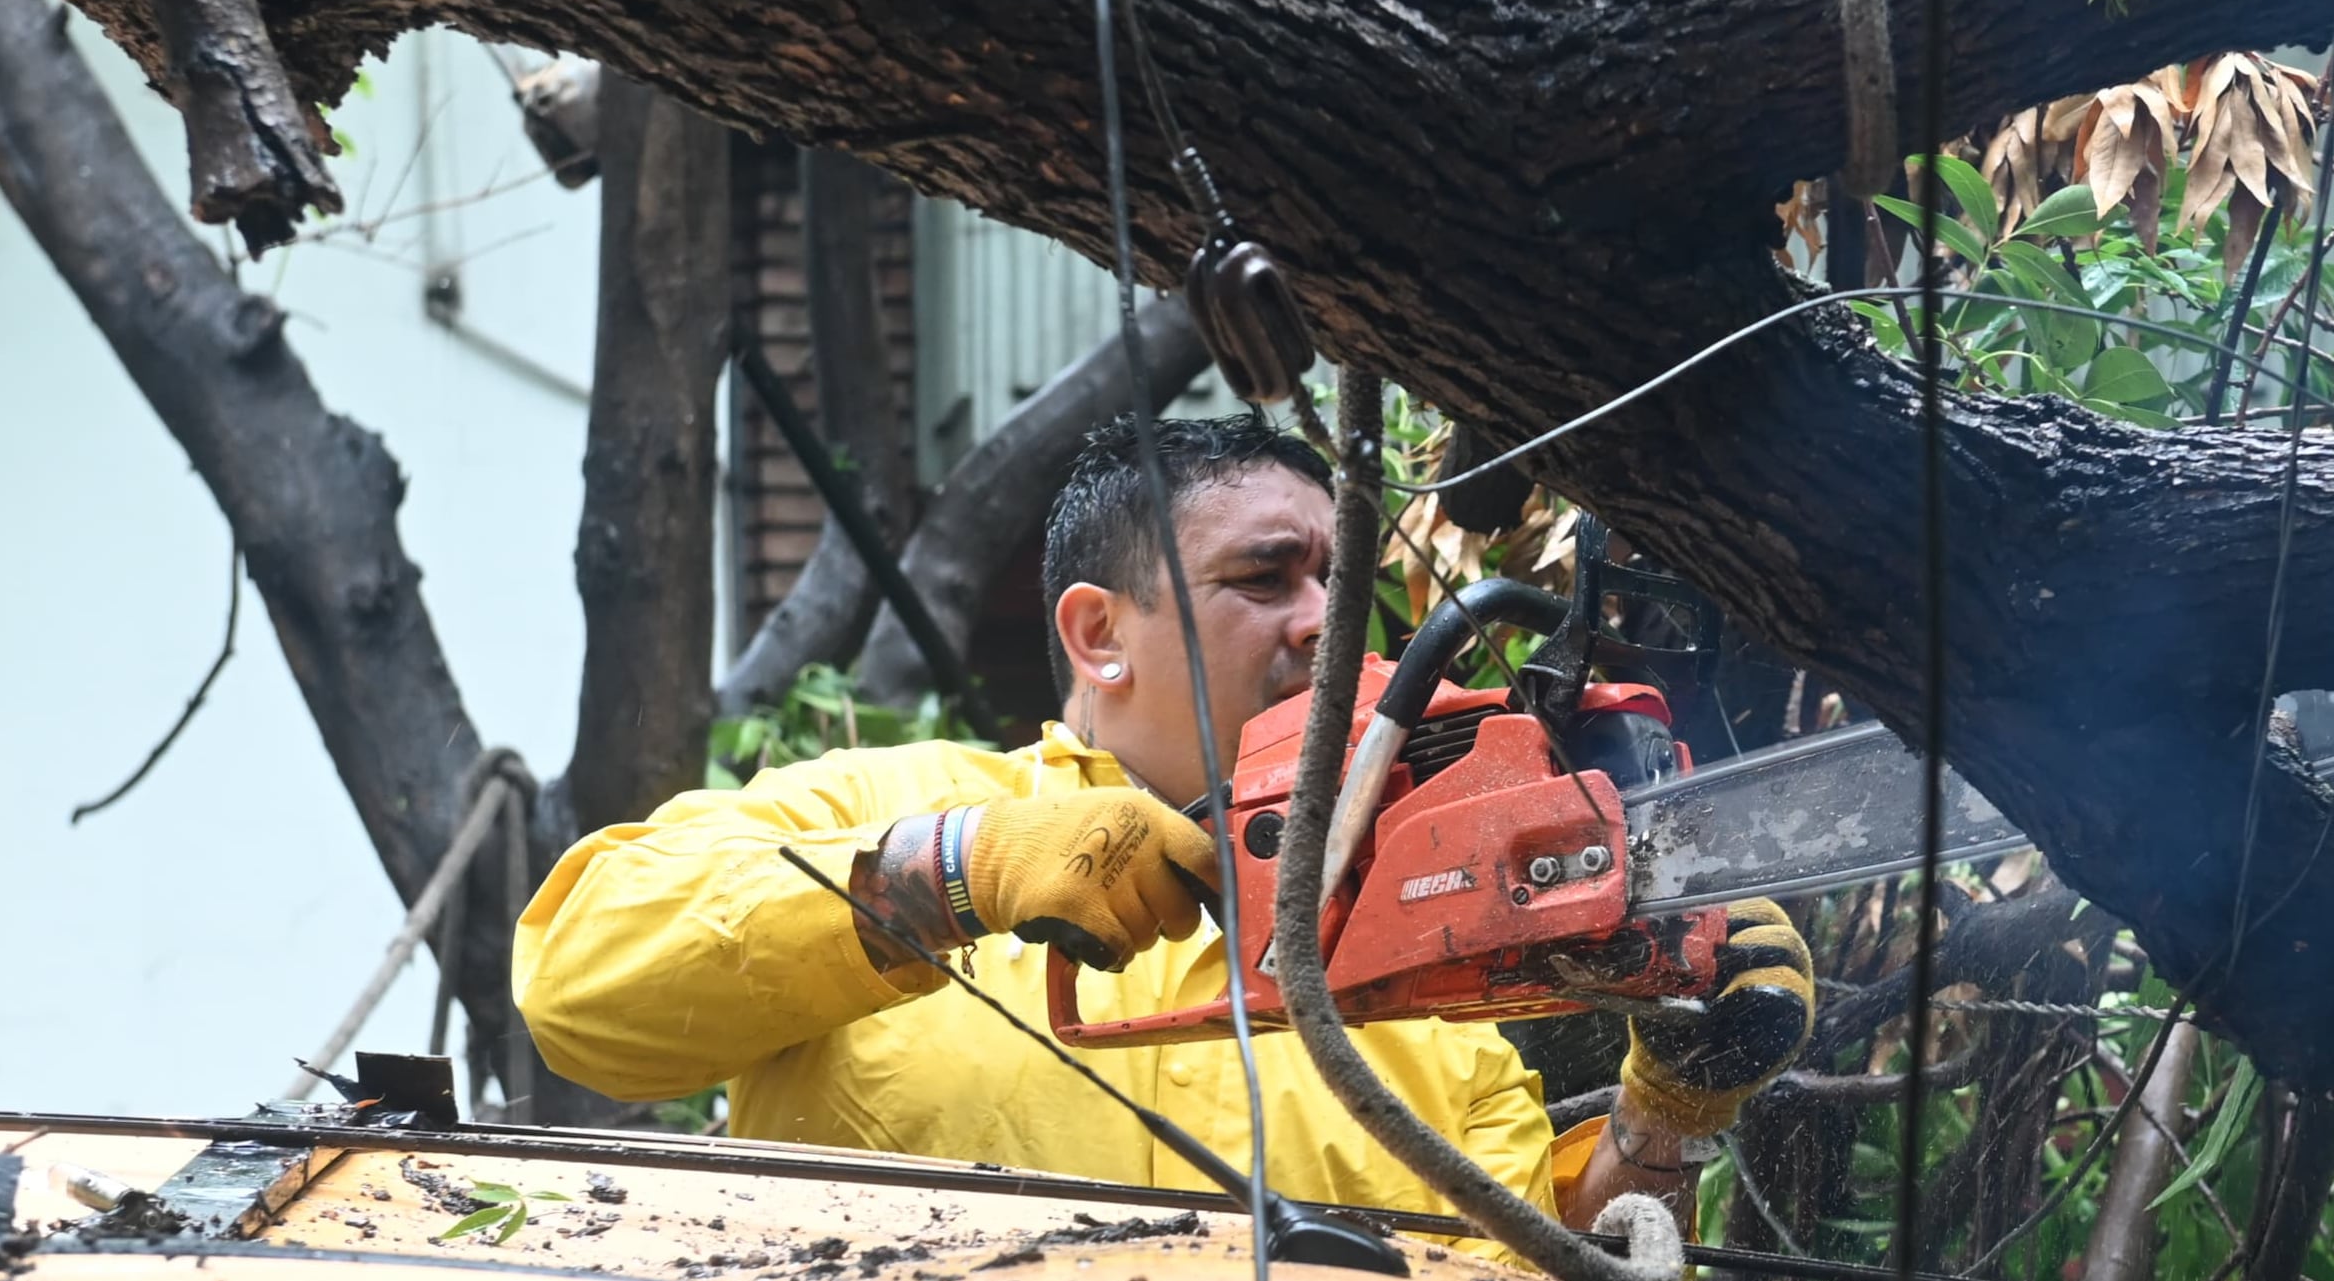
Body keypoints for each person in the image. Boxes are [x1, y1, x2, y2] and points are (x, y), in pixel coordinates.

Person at [515, 413, 1811, 1229]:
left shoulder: (1405, 961)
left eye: (1338, 578)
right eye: (1265, 576)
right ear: (1100, 635)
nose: (1326, 619)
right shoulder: (884, 803)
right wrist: (957, 871)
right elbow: (578, 989)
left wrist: (1664, 1122)